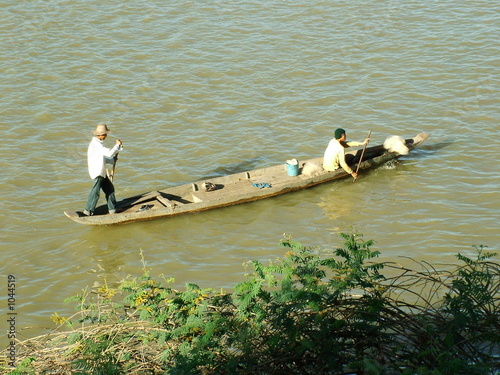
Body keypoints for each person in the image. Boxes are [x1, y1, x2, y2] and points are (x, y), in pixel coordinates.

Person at [82, 124, 123, 216]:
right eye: (105, 134)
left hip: (102, 172)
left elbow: (102, 158)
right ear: (100, 135)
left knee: (110, 189)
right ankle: (87, 211)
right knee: (95, 192)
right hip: (97, 172)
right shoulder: (96, 145)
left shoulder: (97, 144)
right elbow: (109, 153)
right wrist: (116, 145)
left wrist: (112, 160)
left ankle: (112, 209)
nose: (106, 136)